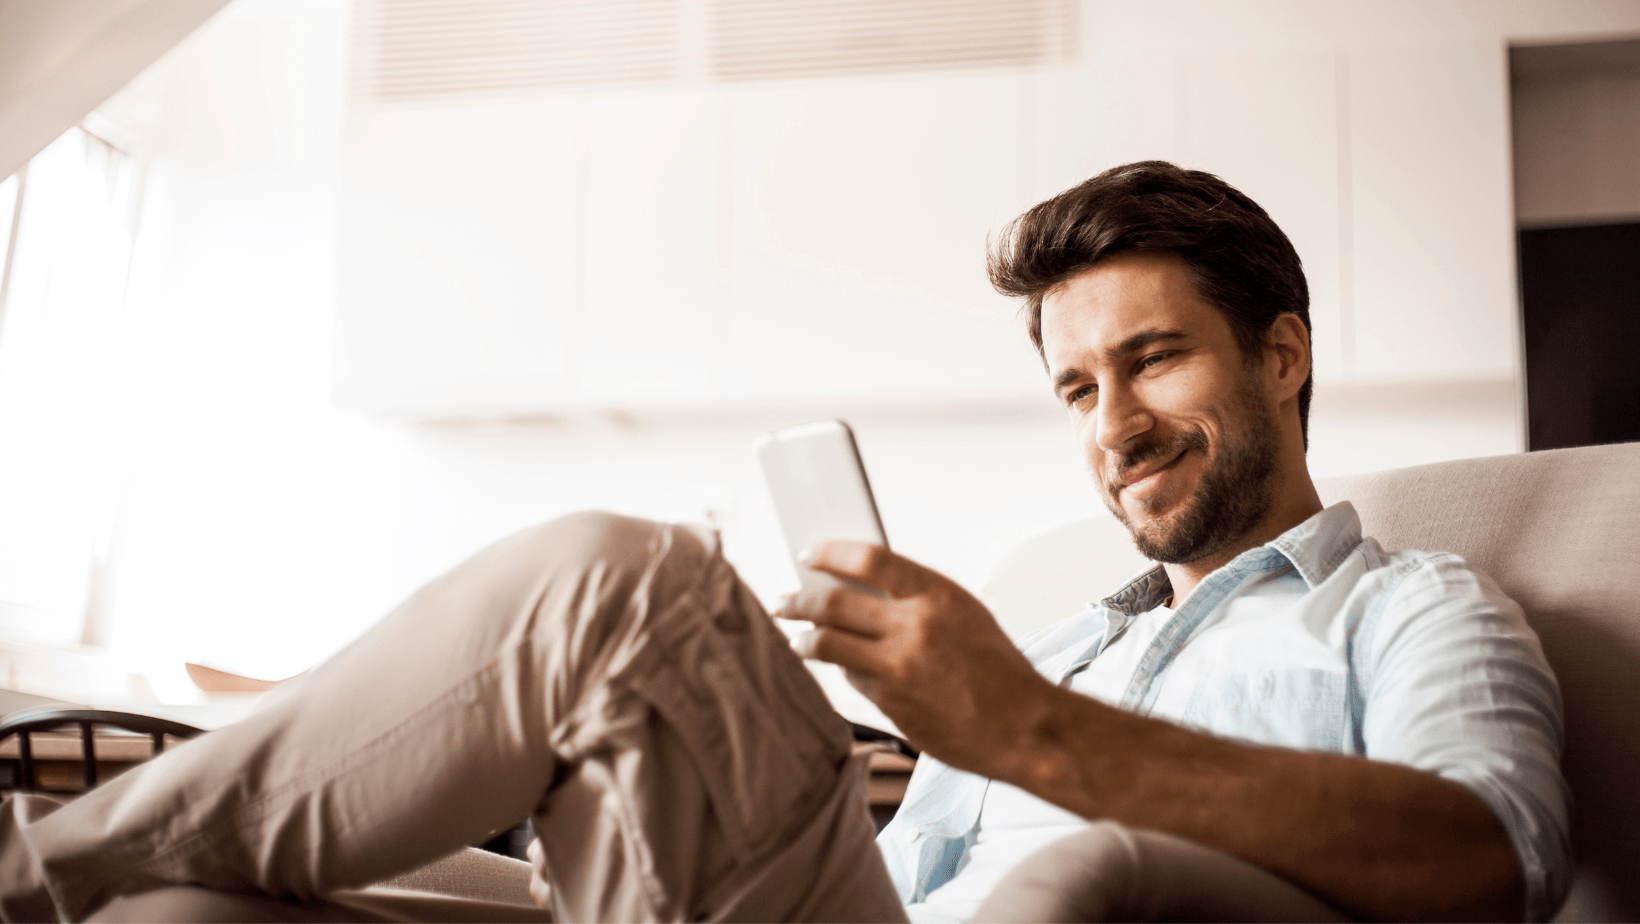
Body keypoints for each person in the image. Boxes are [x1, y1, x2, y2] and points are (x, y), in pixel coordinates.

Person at [0, 161, 1568, 923]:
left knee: (629, 588)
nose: (1114, 425)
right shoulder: (1069, 636)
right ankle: (96, 875)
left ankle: (30, 869)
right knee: (188, 918)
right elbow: (885, 878)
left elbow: (1486, 866)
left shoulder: (1417, 608)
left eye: (1156, 361)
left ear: (1282, 355)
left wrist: (1027, 731)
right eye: (1078, 385)